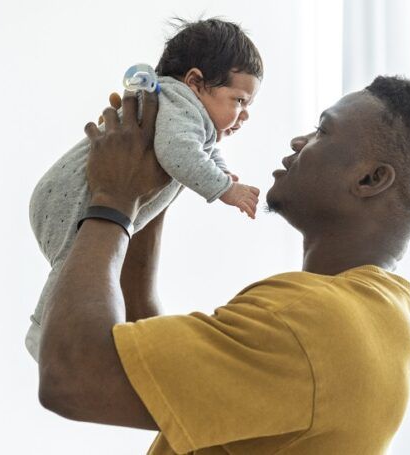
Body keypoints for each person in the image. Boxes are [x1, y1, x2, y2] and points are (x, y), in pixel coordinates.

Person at [36, 75, 410, 454]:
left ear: (370, 179)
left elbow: (74, 375)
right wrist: (161, 180)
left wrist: (112, 199)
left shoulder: (311, 323)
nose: (298, 141)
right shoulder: (372, 321)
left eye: (323, 131)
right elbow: (147, 360)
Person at [25, 18, 263, 361]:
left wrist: (222, 171)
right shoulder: (179, 105)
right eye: (239, 100)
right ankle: (42, 332)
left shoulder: (189, 113)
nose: (244, 115)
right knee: (72, 264)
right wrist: (225, 189)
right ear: (195, 82)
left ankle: (67, 332)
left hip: (79, 199)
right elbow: (179, 152)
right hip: (71, 197)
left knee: (89, 271)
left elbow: (203, 150)